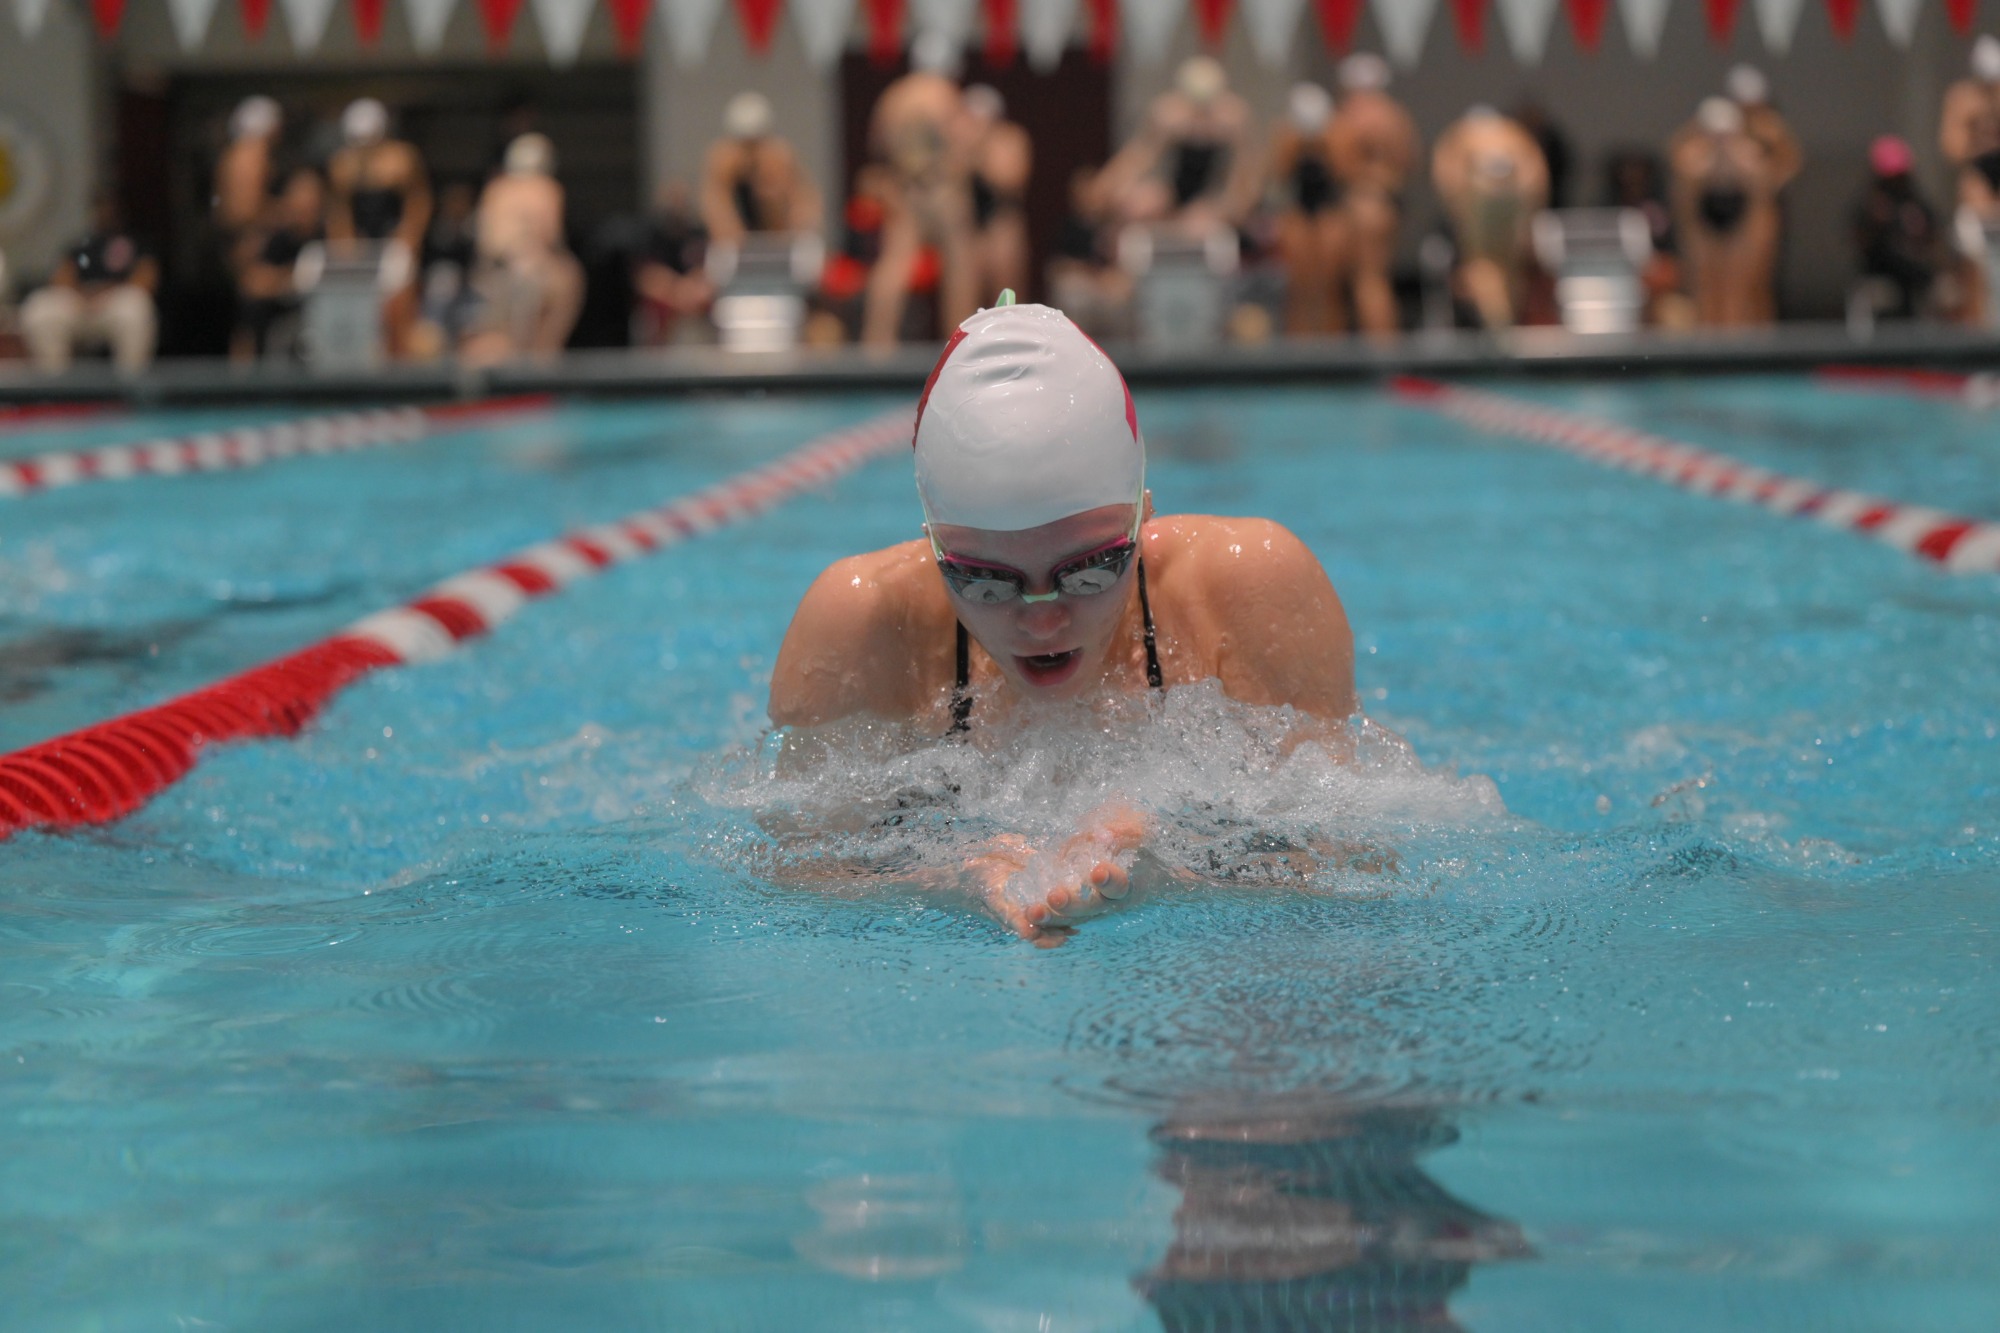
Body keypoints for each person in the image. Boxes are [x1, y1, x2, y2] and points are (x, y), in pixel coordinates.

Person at [768, 299, 1361, 943]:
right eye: (986, 581)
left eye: (1090, 570)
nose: (1043, 621)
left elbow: (1348, 858)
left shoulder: (1249, 587)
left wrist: (1182, 862)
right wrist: (952, 878)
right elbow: (798, 879)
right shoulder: (863, 621)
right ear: (934, 551)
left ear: (1144, 521)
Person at [862, 32, 978, 347]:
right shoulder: (944, 92)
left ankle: (877, 343)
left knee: (895, 263)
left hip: (904, 190)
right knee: (959, 265)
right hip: (941, 190)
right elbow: (963, 143)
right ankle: (960, 344)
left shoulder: (894, 97)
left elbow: (878, 145)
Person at [1095, 56, 1259, 236]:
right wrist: (1111, 185)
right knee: (1139, 203)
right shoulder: (1170, 114)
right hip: (1174, 192)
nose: (1200, 112)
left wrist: (1234, 206)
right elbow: (1139, 157)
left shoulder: (1232, 116)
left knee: (1201, 222)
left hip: (1213, 195)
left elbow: (1246, 169)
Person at [459, 133, 583, 365]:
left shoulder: (495, 189)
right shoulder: (547, 189)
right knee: (570, 277)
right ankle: (543, 363)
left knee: (496, 336)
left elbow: (485, 242)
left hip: (491, 274)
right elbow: (551, 236)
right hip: (526, 273)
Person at [326, 98, 431, 357]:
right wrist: (344, 244)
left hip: (395, 240)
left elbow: (419, 201)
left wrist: (409, 239)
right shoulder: (341, 165)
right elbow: (339, 210)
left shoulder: (401, 160)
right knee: (362, 312)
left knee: (398, 308)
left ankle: (401, 361)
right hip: (362, 245)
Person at [1430, 106, 1548, 330]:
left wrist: (1460, 212)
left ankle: (1499, 328)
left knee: (1483, 268)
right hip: (1510, 207)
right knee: (1506, 272)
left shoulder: (1461, 137)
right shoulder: (1515, 135)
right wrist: (1528, 215)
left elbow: (1446, 177)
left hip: (1484, 208)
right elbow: (1537, 177)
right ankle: (1505, 325)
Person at [1328, 54, 1417, 339]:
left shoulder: (1353, 116)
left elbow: (1339, 163)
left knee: (1367, 281)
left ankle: (1380, 355)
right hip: (1388, 201)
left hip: (1363, 202)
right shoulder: (1395, 114)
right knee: (1378, 279)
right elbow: (1410, 159)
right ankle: (1385, 351)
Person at [1669, 97, 1779, 328]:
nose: (1721, 139)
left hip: (1739, 223)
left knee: (1740, 286)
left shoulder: (1747, 152)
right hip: (1707, 224)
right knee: (1705, 286)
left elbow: (1764, 185)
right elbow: (1685, 182)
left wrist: (1736, 158)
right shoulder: (1694, 153)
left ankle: (1739, 336)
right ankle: (1708, 337)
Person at [21, 195, 158, 374]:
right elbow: (61, 277)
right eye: (100, 207)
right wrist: (83, 296)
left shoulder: (136, 242)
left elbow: (145, 278)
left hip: (115, 302)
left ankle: (131, 386)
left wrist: (105, 294)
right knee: (40, 308)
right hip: (80, 303)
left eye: (110, 207)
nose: (105, 212)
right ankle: (55, 386)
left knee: (136, 307)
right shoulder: (83, 244)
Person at [1267, 83, 1347, 336]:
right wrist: (1295, 146)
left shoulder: (1337, 137)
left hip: (1328, 212)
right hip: (1299, 212)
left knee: (1330, 285)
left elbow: (1346, 174)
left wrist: (1325, 146)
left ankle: (1333, 344)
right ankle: (1299, 345)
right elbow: (1278, 174)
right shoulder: (1287, 138)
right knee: (1299, 287)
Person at [1723, 66, 1801, 322]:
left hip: (1758, 213)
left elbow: (1791, 160)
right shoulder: (1725, 123)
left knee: (1757, 279)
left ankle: (1758, 330)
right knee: (1729, 279)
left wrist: (1768, 184)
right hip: (1729, 212)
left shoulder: (1768, 126)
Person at [699, 91, 823, 248]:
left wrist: (796, 230)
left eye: (755, 143)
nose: (750, 152)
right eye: (745, 144)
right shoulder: (722, 159)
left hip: (777, 237)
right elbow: (715, 206)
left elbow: (804, 203)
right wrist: (731, 237)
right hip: (737, 241)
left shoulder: (779, 157)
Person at [234, 166, 324, 362]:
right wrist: (293, 279)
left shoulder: (329, 236)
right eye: (299, 194)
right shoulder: (278, 240)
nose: (305, 203)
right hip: (282, 321)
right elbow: (253, 283)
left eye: (311, 195)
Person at [1940, 36, 2000, 323]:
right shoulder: (1963, 100)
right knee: (1975, 270)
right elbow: (1952, 147)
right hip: (1979, 189)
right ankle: (1978, 335)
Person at [1853, 136, 1938, 321]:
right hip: (1880, 269)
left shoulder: (1914, 203)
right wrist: (1876, 223)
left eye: (1900, 177)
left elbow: (1933, 236)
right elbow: (1860, 240)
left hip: (1914, 270)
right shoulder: (1870, 204)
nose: (1896, 184)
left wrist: (1917, 232)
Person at [963, 85, 1032, 305]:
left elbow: (1011, 180)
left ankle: (1011, 334)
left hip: (1001, 219)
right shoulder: (958, 142)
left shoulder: (1010, 139)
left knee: (1006, 286)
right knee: (965, 290)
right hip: (969, 224)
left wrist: (979, 153)